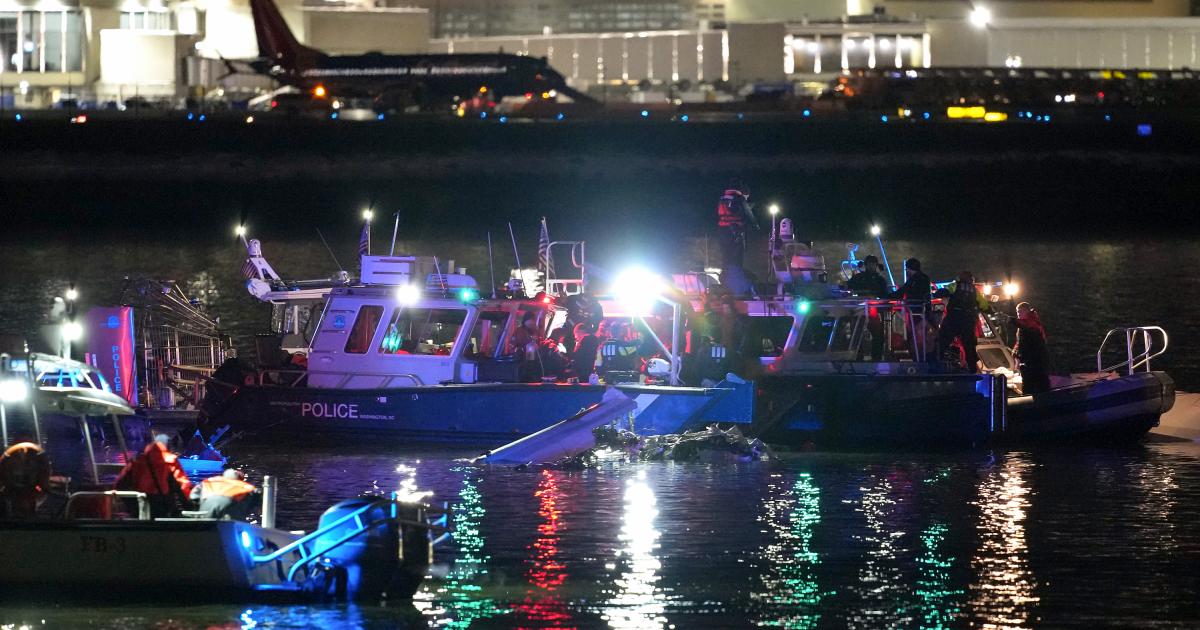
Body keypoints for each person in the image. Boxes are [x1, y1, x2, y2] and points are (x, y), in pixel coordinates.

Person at [115, 434, 194, 518]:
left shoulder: (137, 460)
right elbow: (182, 485)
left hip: (140, 502)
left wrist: (131, 504)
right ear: (168, 446)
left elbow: (120, 484)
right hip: (162, 504)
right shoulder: (170, 460)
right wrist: (189, 507)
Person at [935, 271, 990, 373]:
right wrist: (989, 309)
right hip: (968, 321)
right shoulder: (974, 291)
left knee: (941, 342)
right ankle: (973, 370)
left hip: (953, 318)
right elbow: (984, 305)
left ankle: (935, 366)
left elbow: (944, 292)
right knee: (969, 347)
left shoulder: (954, 285)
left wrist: (935, 294)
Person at [715, 181, 758, 293]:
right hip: (735, 231)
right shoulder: (739, 198)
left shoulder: (723, 198)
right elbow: (748, 213)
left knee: (726, 257)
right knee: (736, 258)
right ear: (744, 192)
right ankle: (737, 285)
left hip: (722, 230)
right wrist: (756, 225)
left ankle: (726, 281)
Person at [888, 258, 932, 361]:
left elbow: (901, 292)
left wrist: (886, 296)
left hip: (916, 312)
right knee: (919, 338)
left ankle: (918, 360)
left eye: (906, 269)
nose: (906, 272)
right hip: (922, 312)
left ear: (910, 269)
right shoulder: (924, 278)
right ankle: (921, 358)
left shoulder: (914, 280)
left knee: (914, 337)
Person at [846, 255, 888, 360]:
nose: (871, 266)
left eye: (873, 264)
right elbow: (848, 286)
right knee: (856, 333)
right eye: (869, 263)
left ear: (876, 265)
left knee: (877, 335)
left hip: (874, 310)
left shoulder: (880, 279)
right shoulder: (859, 277)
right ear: (866, 265)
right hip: (860, 309)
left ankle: (876, 357)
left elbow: (884, 294)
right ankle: (857, 356)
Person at [1013, 301, 1052, 394]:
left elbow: (1028, 343)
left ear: (1027, 311)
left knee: (1036, 382)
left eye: (1020, 311)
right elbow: (1019, 343)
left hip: (1034, 360)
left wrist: (1019, 356)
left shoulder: (1031, 324)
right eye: (1017, 312)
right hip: (1030, 360)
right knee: (1034, 381)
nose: (1018, 314)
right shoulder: (1024, 325)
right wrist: (1016, 354)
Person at [190, 469, 259, 520]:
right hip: (229, 517)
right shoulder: (245, 486)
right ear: (240, 479)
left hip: (205, 513)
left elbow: (193, 496)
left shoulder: (208, 482)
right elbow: (258, 498)